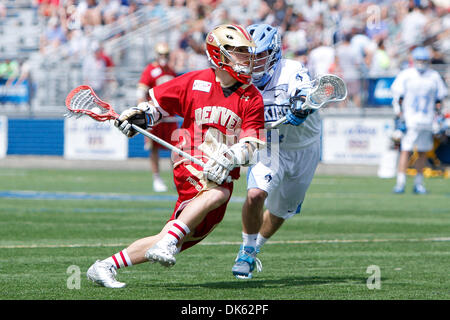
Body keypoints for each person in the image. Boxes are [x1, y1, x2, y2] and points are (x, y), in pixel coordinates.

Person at [86, 24, 265, 288]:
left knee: (178, 236)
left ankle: (104, 266)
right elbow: (157, 107)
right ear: (219, 54)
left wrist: (231, 157)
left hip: (221, 169)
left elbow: (253, 144)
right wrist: (140, 116)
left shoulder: (252, 97)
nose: (245, 59)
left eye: (246, 52)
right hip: (189, 158)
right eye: (237, 52)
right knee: (218, 195)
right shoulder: (195, 81)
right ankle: (169, 240)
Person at [231, 24, 320, 279]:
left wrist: (302, 107)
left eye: (259, 55)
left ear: (273, 53)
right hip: (270, 146)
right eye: (249, 55)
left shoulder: (292, 70)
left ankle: (256, 247)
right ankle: (246, 251)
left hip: (304, 148)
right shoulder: (238, 79)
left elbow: (307, 96)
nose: (253, 62)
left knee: (282, 209)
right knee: (256, 195)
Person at [391, 46, 448, 194]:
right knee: (405, 150)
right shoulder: (406, 75)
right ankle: (400, 183)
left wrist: (438, 117)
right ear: (414, 60)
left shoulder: (433, 76)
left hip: (427, 119)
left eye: (424, 60)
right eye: (419, 60)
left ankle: (418, 183)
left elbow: (439, 99)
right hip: (410, 119)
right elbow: (398, 97)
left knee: (423, 151)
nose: (421, 63)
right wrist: (400, 116)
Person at [137, 42, 178, 192]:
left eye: (166, 55)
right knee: (154, 148)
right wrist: (142, 109)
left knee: (175, 148)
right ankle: (156, 178)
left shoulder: (171, 71)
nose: (164, 58)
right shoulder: (151, 70)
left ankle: (177, 178)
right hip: (155, 116)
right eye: (161, 54)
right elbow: (141, 91)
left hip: (169, 116)